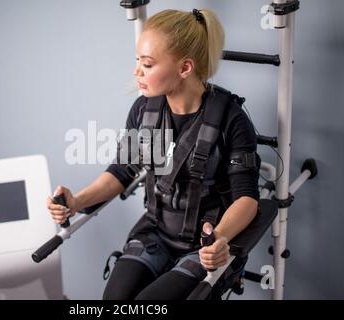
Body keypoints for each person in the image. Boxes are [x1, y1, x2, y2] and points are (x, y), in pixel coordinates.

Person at [47, 8, 260, 300]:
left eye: (147, 64)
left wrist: (220, 237)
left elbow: (246, 199)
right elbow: (123, 172)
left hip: (204, 244)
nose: (137, 72)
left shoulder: (231, 120)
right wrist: (76, 201)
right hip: (155, 233)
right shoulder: (144, 110)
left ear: (185, 68)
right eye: (138, 61)